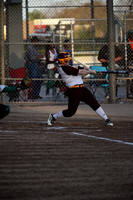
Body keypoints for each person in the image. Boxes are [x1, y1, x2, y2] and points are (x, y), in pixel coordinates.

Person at [47, 52, 113, 127]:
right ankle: (54, 116)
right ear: (62, 61)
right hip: (73, 91)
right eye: (66, 60)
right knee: (70, 112)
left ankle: (106, 119)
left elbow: (76, 67)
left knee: (94, 103)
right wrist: (91, 71)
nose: (68, 61)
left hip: (82, 89)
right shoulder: (64, 68)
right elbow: (81, 72)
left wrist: (84, 67)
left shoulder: (66, 66)